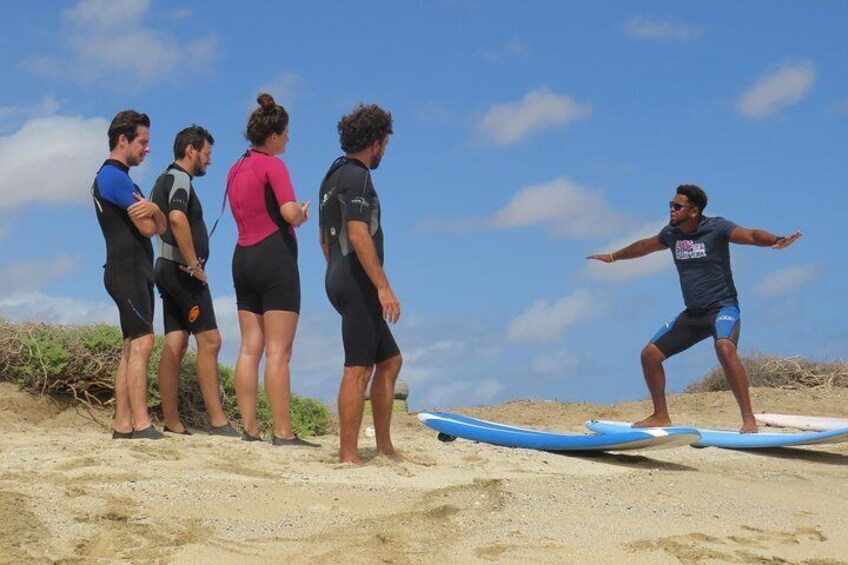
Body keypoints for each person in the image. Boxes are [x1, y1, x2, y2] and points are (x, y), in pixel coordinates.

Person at [587, 184, 801, 433]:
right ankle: (660, 415)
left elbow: (751, 235)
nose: (671, 209)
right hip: (694, 314)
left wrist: (777, 240)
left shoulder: (717, 228)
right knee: (650, 355)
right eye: (671, 205)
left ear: (694, 211)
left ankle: (748, 419)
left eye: (677, 206)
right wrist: (612, 257)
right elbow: (645, 246)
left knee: (724, 348)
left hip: (723, 308)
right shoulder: (671, 234)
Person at [227, 93, 314, 446]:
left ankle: (250, 429)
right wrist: (303, 213)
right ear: (274, 135)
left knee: (250, 348)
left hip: (241, 257)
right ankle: (283, 432)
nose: (289, 139)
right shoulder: (273, 165)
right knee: (279, 351)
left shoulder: (235, 168)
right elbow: (289, 212)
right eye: (287, 133)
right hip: (274, 258)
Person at [319, 104, 403, 464]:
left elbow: (324, 237)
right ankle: (348, 455)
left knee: (390, 361)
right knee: (357, 368)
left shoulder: (332, 176)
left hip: (339, 275)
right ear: (375, 142)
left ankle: (384, 447)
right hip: (357, 280)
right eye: (385, 142)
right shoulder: (358, 176)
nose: (385, 150)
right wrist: (382, 286)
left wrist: (338, 272)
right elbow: (357, 232)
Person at [149, 125, 240, 437]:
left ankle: (172, 422)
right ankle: (217, 421)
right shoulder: (178, 178)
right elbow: (176, 217)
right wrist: (193, 264)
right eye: (207, 154)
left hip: (164, 266)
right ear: (191, 151)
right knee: (210, 340)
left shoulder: (162, 178)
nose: (209, 161)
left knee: (176, 341)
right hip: (181, 271)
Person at [91, 110, 167, 440]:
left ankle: (123, 423)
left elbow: (156, 223)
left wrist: (156, 210)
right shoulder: (112, 178)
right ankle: (141, 423)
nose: (147, 149)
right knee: (143, 342)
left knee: (131, 345)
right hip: (127, 271)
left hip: (133, 271)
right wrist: (154, 214)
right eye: (143, 142)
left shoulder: (126, 179)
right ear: (123, 140)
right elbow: (150, 228)